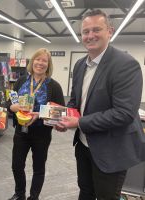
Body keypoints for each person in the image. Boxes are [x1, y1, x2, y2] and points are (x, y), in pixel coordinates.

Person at [56, 9, 145, 200]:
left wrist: (78, 123)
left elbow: (123, 113)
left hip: (111, 149)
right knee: (85, 191)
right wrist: (63, 117)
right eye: (85, 31)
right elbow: (75, 101)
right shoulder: (80, 65)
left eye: (96, 29)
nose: (90, 35)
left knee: (106, 196)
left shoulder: (125, 64)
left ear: (110, 31)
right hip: (84, 145)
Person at [7, 48, 65, 200]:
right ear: (32, 62)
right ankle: (19, 194)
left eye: (44, 60)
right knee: (17, 166)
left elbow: (61, 113)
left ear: (48, 64)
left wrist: (39, 115)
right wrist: (13, 107)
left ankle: (33, 197)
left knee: (38, 168)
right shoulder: (21, 81)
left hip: (42, 134)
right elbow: (10, 103)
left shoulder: (54, 86)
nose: (40, 63)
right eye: (37, 59)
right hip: (21, 131)